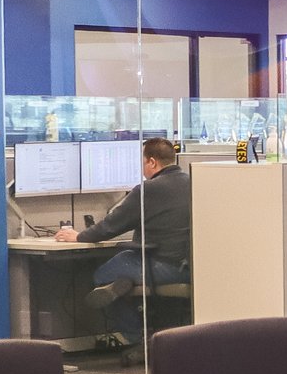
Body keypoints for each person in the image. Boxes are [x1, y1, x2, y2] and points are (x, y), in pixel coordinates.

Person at [56, 137, 191, 351]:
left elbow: (110, 226)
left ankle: (137, 337)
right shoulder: (192, 182)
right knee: (122, 270)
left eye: (142, 162)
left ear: (152, 162)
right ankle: (126, 287)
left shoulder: (148, 189)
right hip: (190, 268)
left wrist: (79, 236)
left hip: (161, 265)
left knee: (102, 276)